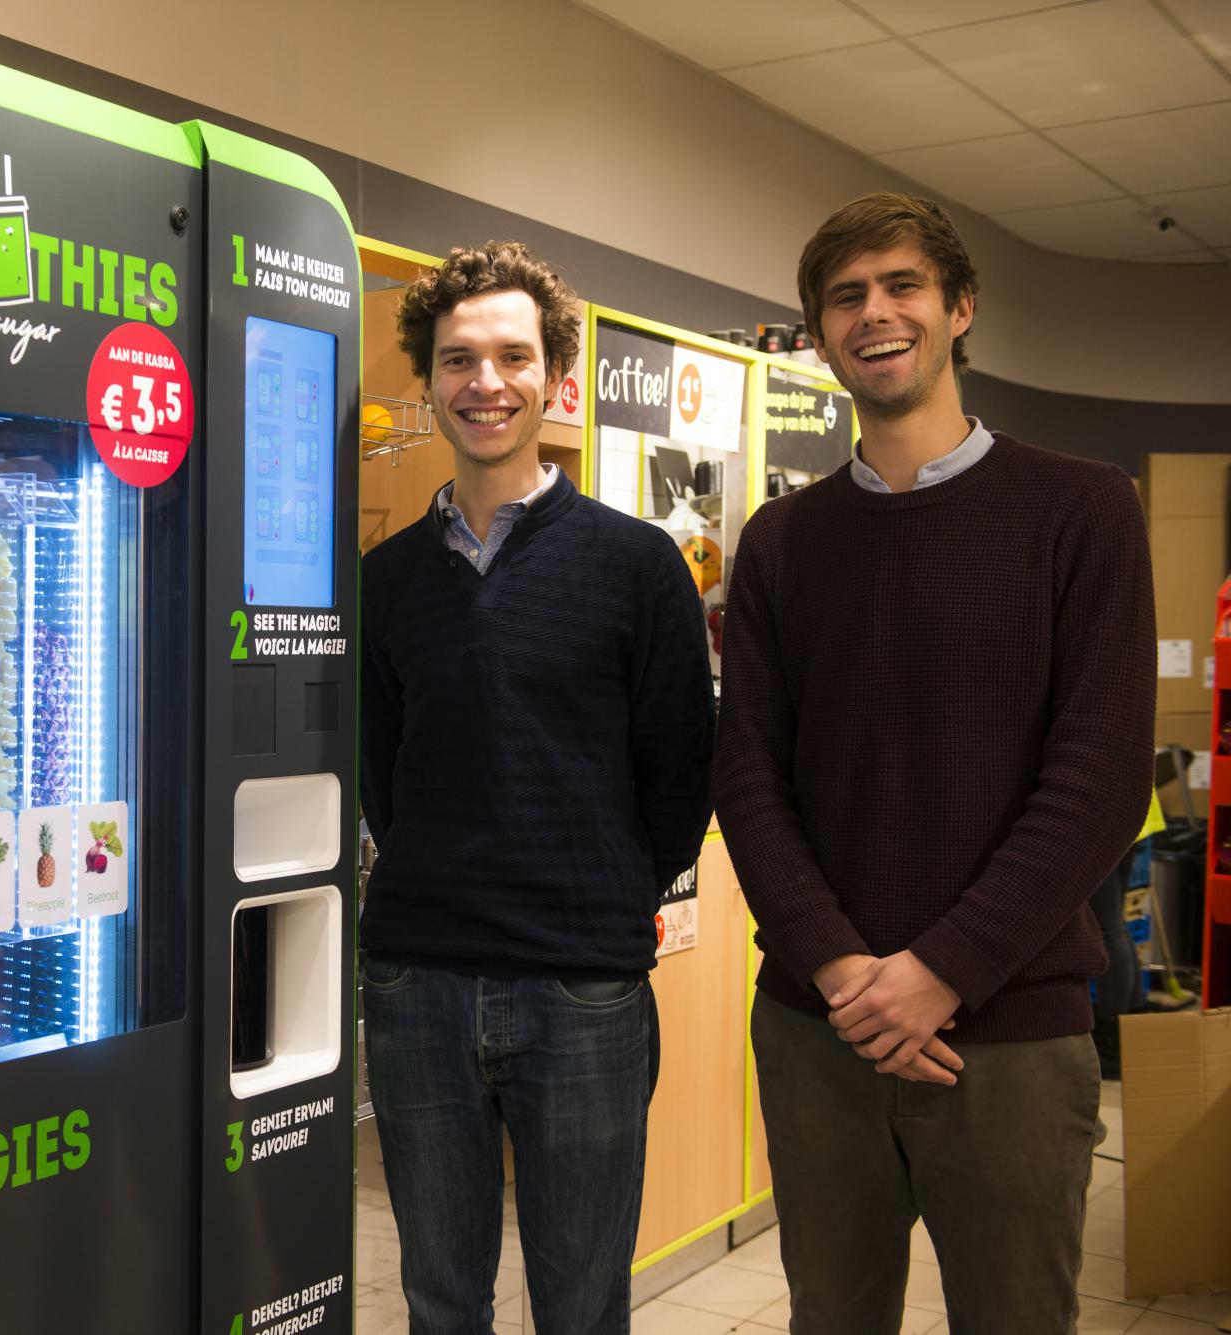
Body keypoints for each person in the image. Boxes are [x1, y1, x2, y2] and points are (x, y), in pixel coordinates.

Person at [713, 193, 1155, 1334]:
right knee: (831, 1318)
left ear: (958, 309)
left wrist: (938, 972)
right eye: (844, 297)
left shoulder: (1082, 510)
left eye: (901, 285)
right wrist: (839, 971)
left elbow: (1099, 778)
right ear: (817, 336)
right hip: (819, 1033)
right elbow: (750, 778)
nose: (876, 313)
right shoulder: (779, 544)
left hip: (1006, 1033)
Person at [359, 241, 715, 1334]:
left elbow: (677, 775)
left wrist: (600, 895)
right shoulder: (384, 579)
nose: (484, 382)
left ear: (555, 378)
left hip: (582, 992)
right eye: (458, 359)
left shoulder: (635, 565)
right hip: (417, 982)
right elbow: (384, 774)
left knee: (579, 1303)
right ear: (425, 380)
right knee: (437, 1297)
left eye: (512, 356)